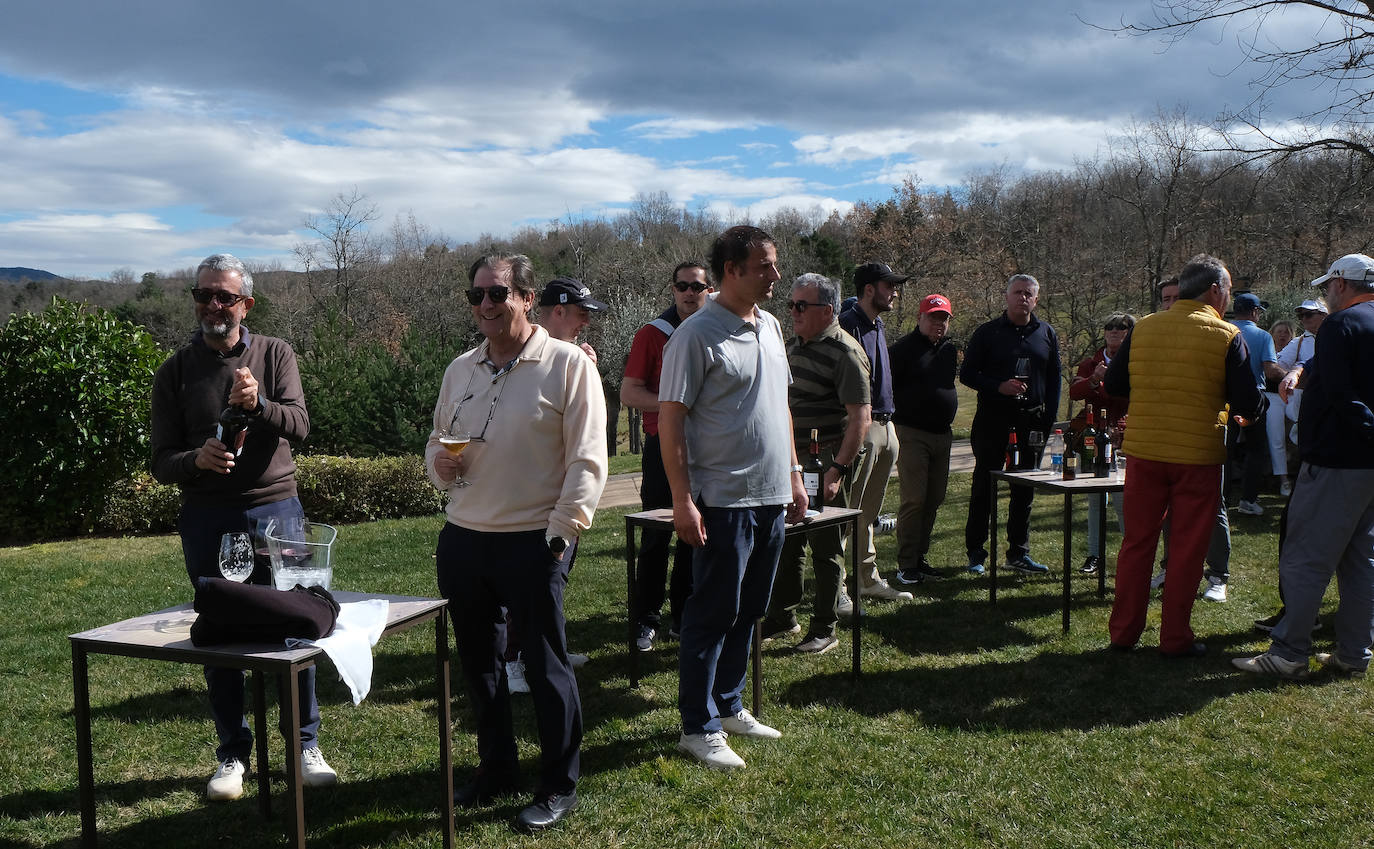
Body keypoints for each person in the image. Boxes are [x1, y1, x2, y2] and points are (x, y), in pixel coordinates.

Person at [427, 253, 607, 833]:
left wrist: (561, 533)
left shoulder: (568, 366)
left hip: (535, 538)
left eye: (497, 293)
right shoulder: (462, 369)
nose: (485, 304)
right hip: (464, 536)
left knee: (545, 662)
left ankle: (559, 783)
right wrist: (440, 468)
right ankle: (497, 768)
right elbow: (437, 441)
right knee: (479, 666)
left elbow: (587, 460)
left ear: (528, 299)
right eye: (476, 294)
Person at [151, 253, 335, 801]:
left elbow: (300, 424)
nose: (214, 305)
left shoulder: (275, 354)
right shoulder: (176, 371)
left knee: (297, 624)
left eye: (225, 297)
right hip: (208, 517)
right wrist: (195, 462)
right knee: (221, 631)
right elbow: (161, 460)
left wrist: (260, 406)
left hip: (276, 510)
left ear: (245, 304)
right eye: (205, 294)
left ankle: (304, 745)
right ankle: (233, 754)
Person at [658, 225, 807, 771]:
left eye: (774, 263)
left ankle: (728, 704)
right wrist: (682, 500)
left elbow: (781, 408)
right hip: (721, 500)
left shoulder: (769, 325)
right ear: (731, 271)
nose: (775, 275)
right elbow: (671, 421)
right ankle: (697, 727)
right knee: (711, 613)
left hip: (770, 497)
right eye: (765, 266)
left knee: (750, 610)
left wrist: (793, 475)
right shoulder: (694, 337)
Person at [1105, 254, 1265, 657]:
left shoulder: (1142, 328)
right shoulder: (1227, 335)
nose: (1228, 298)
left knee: (1136, 544)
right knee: (1187, 548)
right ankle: (1175, 638)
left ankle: (1123, 633)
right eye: (1227, 291)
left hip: (1145, 451)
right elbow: (1247, 402)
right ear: (1215, 291)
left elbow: (1114, 382)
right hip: (1197, 456)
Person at [1234, 253, 1374, 679]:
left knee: (1305, 557)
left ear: (1341, 285)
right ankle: (1353, 653)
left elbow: (1341, 392)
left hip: (1337, 459)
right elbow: (1343, 367)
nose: (1325, 295)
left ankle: (1289, 652)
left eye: (1326, 287)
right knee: (1361, 559)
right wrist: (1302, 368)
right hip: (1368, 466)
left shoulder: (1340, 324)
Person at [762, 273, 871, 654]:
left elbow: (860, 419)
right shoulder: (790, 346)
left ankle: (825, 627)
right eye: (791, 304)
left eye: (800, 306)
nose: (792, 312)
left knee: (826, 546)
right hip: (792, 460)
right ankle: (782, 616)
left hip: (827, 458)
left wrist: (837, 470)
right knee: (788, 541)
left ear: (827, 310)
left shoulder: (846, 352)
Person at [622, 261, 714, 652]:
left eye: (697, 286)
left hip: (707, 450)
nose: (689, 293)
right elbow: (629, 393)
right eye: (682, 286)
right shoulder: (653, 334)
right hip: (663, 447)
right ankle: (646, 618)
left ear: (710, 289)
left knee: (696, 534)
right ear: (672, 290)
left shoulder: (716, 331)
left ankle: (683, 614)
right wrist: (674, 405)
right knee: (657, 533)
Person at [960, 273, 1062, 575]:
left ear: (1037, 298)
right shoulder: (987, 333)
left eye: (1028, 293)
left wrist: (1049, 417)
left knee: (1024, 489)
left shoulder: (1046, 333)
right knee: (984, 486)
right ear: (1006, 297)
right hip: (993, 418)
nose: (1023, 298)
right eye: (1017, 292)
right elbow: (967, 374)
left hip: (1032, 420)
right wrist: (997, 386)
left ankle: (1018, 553)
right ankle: (976, 553)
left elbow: (1055, 378)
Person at [1148, 275, 1233, 603]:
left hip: (1205, 430)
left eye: (1174, 298)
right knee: (1168, 503)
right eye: (1165, 299)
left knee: (1213, 505)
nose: (1170, 305)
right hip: (1166, 430)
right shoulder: (1156, 332)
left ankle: (1217, 576)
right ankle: (1171, 567)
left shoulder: (1216, 333)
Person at [839, 262, 914, 604]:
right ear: (869, 289)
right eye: (889, 285)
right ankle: (837, 586)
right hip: (862, 427)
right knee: (847, 511)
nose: (895, 291)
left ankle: (867, 580)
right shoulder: (847, 325)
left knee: (868, 512)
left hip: (887, 426)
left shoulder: (877, 323)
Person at [890, 293, 959, 585]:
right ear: (920, 318)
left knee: (934, 498)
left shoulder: (949, 350)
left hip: (943, 435)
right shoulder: (902, 350)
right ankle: (906, 564)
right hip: (912, 432)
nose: (938, 323)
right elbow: (886, 390)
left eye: (943, 318)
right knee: (914, 499)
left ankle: (920, 557)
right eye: (933, 317)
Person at [1068, 313, 1134, 574]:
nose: (1114, 331)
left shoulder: (1133, 360)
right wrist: (1093, 380)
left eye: (1121, 327)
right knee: (1095, 497)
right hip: (1091, 435)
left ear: (1130, 333)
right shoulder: (1089, 362)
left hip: (1122, 434)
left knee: (1121, 500)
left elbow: (1123, 394)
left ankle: (1129, 558)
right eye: (1109, 326)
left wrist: (1095, 387)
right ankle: (1094, 555)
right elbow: (1074, 393)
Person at [1227, 292, 1282, 516]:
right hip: (1252, 401)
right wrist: (1290, 375)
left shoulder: (1224, 331)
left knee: (1225, 449)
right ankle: (1248, 500)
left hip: (1226, 399)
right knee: (1255, 448)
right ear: (1254, 311)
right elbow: (1270, 370)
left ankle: (1220, 496)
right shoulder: (1263, 336)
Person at [1276, 298, 1328, 447]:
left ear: (1324, 315)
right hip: (1304, 408)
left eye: (1309, 314)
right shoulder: (1298, 342)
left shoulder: (1338, 336)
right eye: (1301, 316)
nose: (1304, 319)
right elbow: (1277, 366)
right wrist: (1294, 378)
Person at [537, 276, 606, 363]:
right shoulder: (521, 354)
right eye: (582, 314)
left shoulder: (576, 359)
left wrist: (588, 370)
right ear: (559, 312)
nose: (587, 322)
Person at [1265, 317, 1297, 496]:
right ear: (1273, 334)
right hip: (1273, 397)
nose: (1283, 335)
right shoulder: (1267, 352)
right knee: (1276, 438)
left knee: (1296, 436)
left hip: (1293, 397)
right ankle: (1284, 480)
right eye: (1280, 331)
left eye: (1287, 332)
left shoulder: (1297, 351)